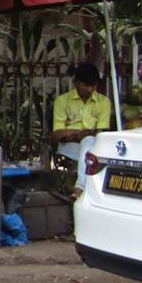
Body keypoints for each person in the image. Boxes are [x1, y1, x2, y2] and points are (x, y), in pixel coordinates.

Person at [52, 63, 112, 199]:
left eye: (93, 86)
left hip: (95, 146)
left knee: (89, 141)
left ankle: (79, 187)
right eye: (86, 85)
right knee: (88, 141)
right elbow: (57, 134)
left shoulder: (104, 102)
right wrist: (77, 134)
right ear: (76, 83)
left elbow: (102, 133)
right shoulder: (62, 101)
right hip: (68, 147)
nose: (90, 89)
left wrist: (80, 135)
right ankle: (81, 187)